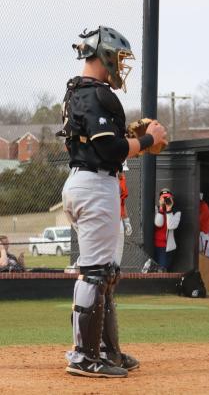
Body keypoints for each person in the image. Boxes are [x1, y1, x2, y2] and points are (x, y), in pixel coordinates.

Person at [60, 26, 167, 378]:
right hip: (94, 184)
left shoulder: (81, 90)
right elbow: (109, 149)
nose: (120, 66)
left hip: (87, 183)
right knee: (95, 273)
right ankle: (84, 356)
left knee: (104, 273)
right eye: (118, 58)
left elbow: (102, 141)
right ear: (104, 55)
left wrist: (128, 136)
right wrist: (147, 141)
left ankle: (106, 351)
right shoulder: (96, 93)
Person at [153, 188, 181, 271]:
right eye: (164, 198)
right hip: (154, 245)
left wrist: (169, 210)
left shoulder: (176, 212)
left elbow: (171, 226)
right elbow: (158, 224)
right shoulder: (156, 209)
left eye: (168, 198)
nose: (166, 200)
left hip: (167, 247)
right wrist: (161, 209)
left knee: (162, 270)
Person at [114, 161, 132, 266]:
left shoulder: (122, 180)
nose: (123, 174)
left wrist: (126, 221)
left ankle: (115, 270)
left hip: (118, 218)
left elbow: (122, 203)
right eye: (121, 171)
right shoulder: (106, 180)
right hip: (107, 219)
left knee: (119, 247)